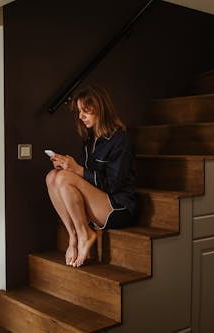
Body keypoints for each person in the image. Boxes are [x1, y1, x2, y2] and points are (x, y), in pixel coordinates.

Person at [45, 85, 136, 268]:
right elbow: (83, 179)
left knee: (62, 178)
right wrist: (68, 167)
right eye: (79, 111)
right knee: (52, 176)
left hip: (117, 207)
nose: (81, 116)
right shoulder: (89, 140)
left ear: (100, 109)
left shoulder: (120, 140)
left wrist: (76, 170)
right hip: (98, 201)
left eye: (85, 111)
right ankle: (74, 236)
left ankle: (85, 234)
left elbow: (112, 186)